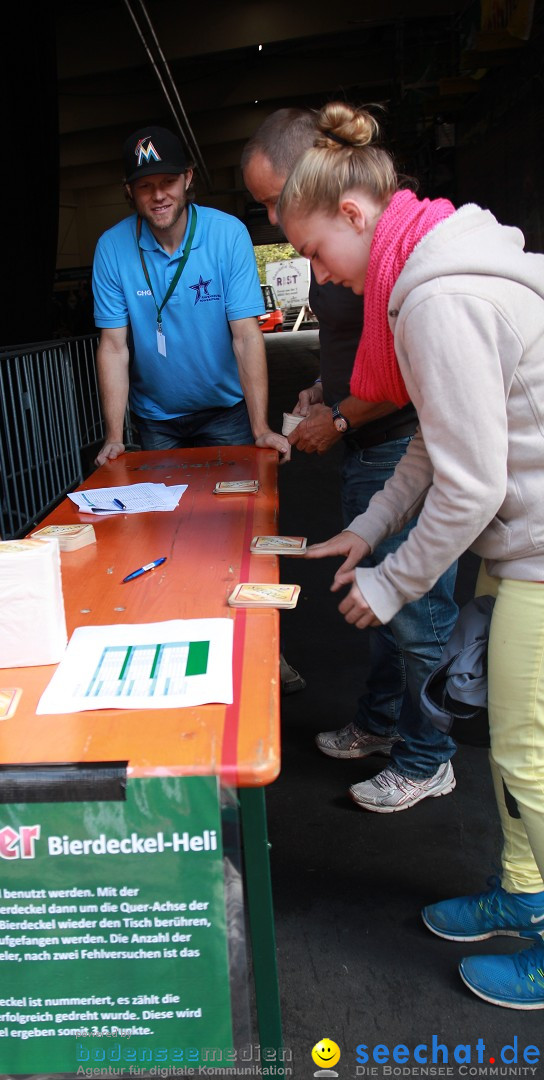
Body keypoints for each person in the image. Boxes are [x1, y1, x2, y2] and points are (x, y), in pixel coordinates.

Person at [277, 100, 544, 1009]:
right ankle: (522, 896)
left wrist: (392, 581)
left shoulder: (432, 293)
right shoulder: (423, 268)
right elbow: (439, 439)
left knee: (528, 754)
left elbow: (468, 485)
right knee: (513, 746)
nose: (320, 275)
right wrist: (369, 527)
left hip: (540, 546)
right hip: (524, 544)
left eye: (314, 251)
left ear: (355, 215)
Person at [242, 110, 459, 812]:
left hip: (410, 455)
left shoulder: (418, 288)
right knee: (387, 602)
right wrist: (325, 395)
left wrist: (337, 418)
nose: (287, 236)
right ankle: (385, 722)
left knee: (418, 614)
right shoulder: (378, 258)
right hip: (389, 450)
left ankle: (429, 758)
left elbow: (467, 474)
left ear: (346, 207)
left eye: (279, 205)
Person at [91, 124, 289, 464]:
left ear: (187, 178)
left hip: (226, 411)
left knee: (234, 511)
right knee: (163, 516)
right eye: (145, 186)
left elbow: (245, 336)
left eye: (167, 181)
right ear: (129, 190)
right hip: (155, 419)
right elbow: (113, 346)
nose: (158, 195)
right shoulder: (111, 247)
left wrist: (260, 428)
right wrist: (114, 436)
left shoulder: (228, 234)